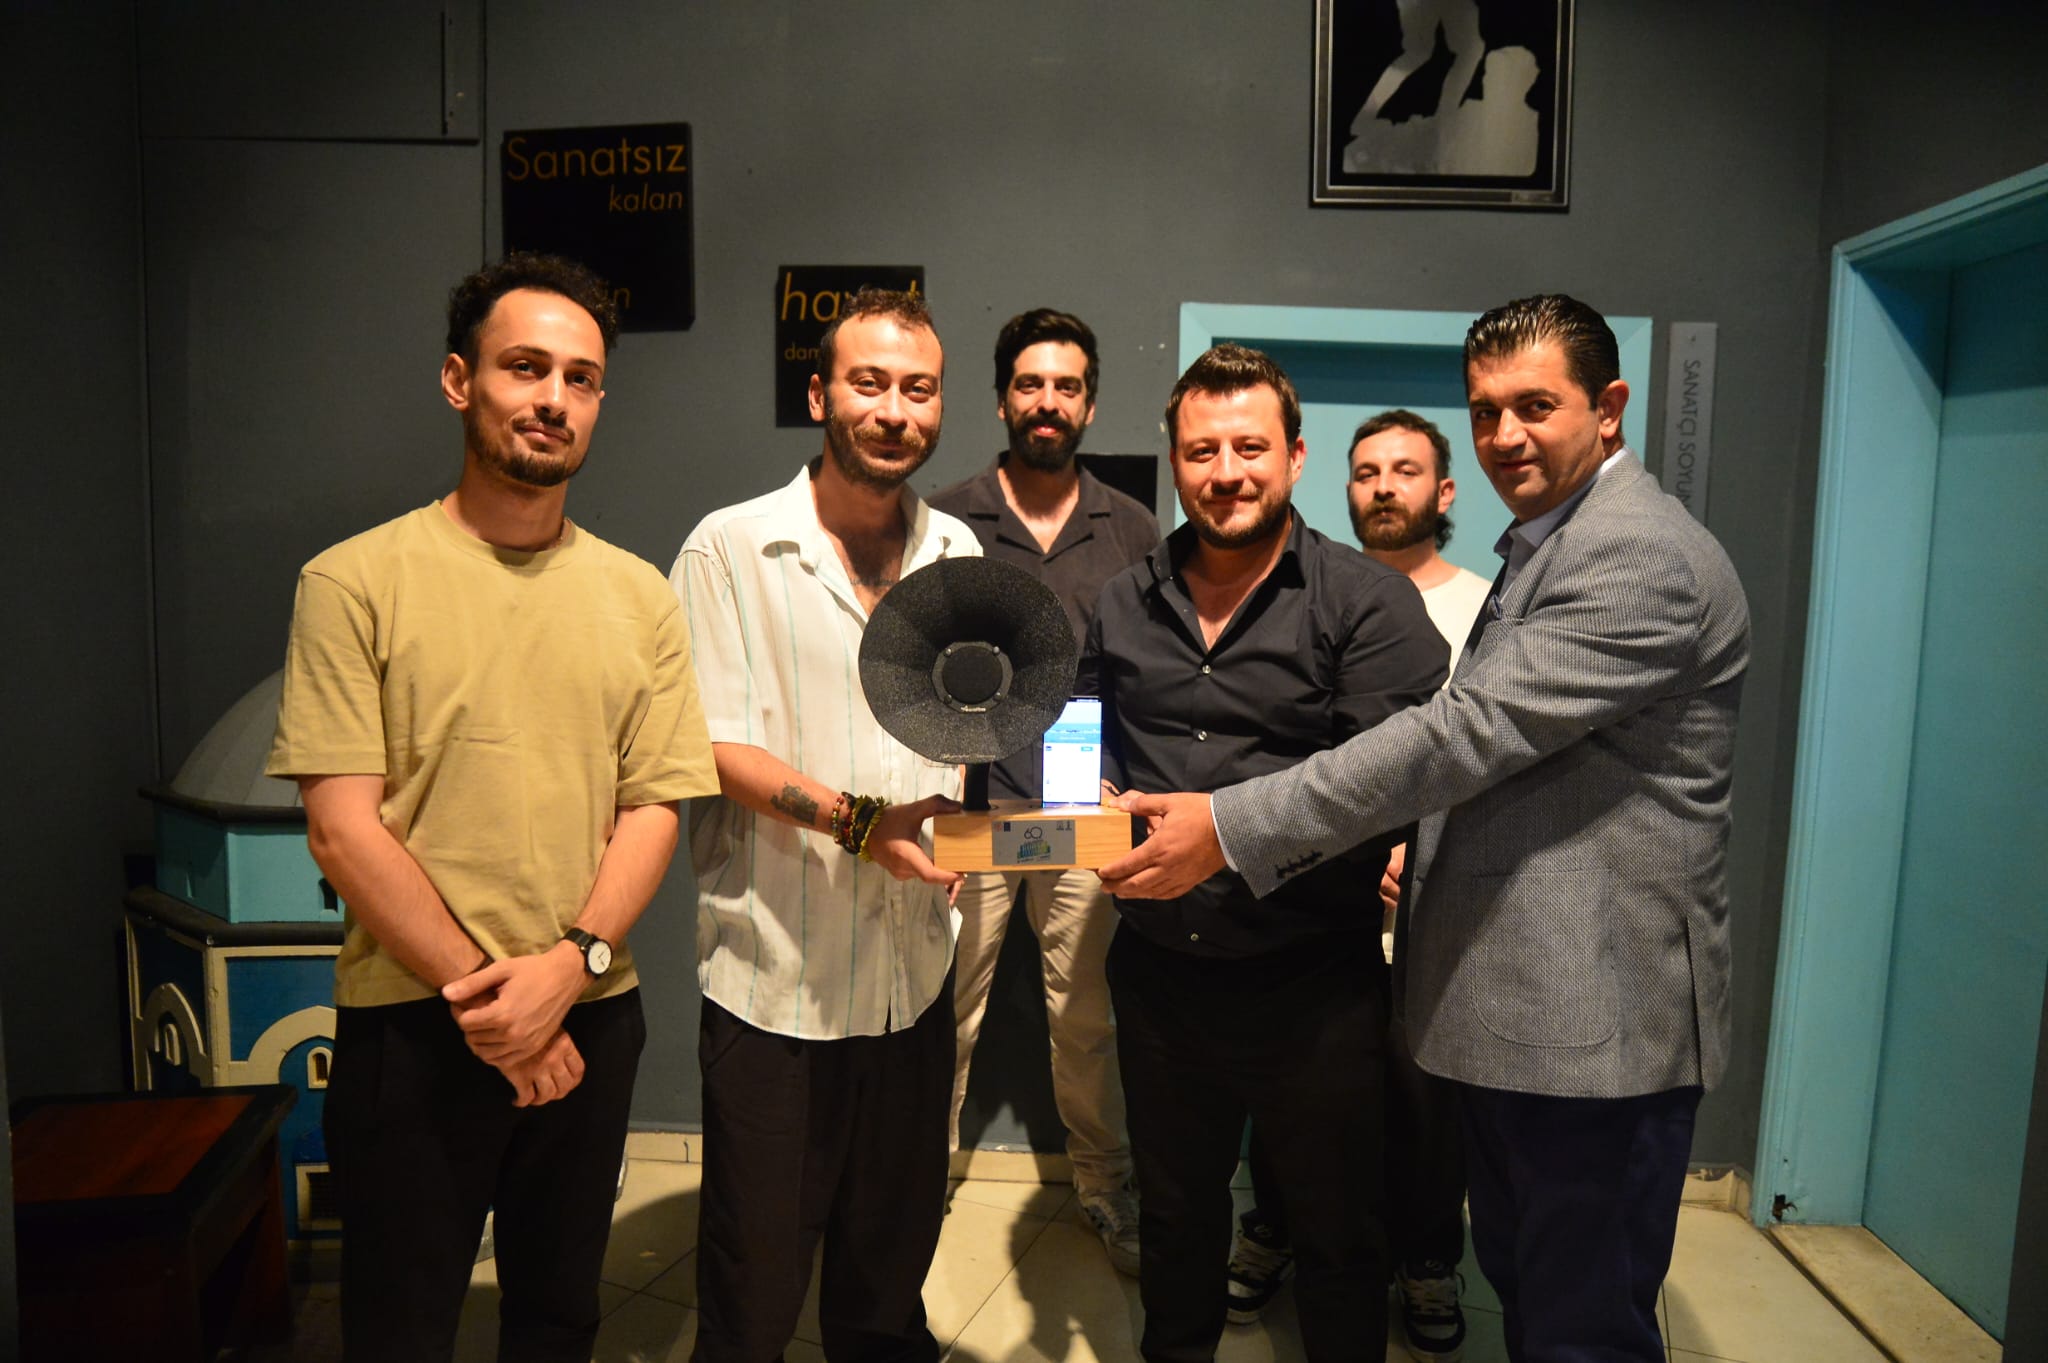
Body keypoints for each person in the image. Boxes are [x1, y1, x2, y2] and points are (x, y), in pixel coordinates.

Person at [1102, 295, 1751, 1363]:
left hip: (1591, 1016)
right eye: (1486, 410)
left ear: (1609, 407)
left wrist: (1224, 825)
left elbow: (1461, 735)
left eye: (1534, 406)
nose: (1504, 435)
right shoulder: (1548, 543)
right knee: (1536, 1300)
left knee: (1579, 1325)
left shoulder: (1636, 554)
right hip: (1513, 1008)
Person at [268, 251, 718, 1362]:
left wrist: (570, 966)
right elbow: (341, 827)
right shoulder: (352, 582)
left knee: (558, 1315)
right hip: (414, 1022)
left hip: (589, 1008)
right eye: (525, 367)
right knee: (400, 1325)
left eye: (580, 377)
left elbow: (654, 807)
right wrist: (493, 1004)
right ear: (459, 380)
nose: (553, 397)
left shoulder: (639, 596)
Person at [1084, 344, 1446, 1363]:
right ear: (1175, 461)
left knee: (1338, 1234)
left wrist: (1223, 833)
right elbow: (1082, 725)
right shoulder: (1121, 599)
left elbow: (1386, 785)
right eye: (1202, 450)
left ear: (1294, 455)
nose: (1226, 471)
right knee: (1175, 1217)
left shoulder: (1369, 605)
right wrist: (1079, 795)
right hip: (1158, 974)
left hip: (1314, 984)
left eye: (1249, 446)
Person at [671, 287, 977, 1363]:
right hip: (776, 983)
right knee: (753, 1294)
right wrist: (863, 824)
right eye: (868, 383)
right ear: (819, 395)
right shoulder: (730, 548)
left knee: (886, 1284)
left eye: (918, 388)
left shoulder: (955, 548)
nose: (894, 410)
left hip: (912, 977)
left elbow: (961, 729)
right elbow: (710, 744)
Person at [1224, 408, 1486, 1357]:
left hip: (1428, 903)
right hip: (1312, 902)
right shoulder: (1307, 593)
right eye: (1367, 470)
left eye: (1404, 470)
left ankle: (1427, 1257)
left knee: (1425, 1099)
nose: (1383, 486)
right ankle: (1273, 1229)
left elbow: (1480, 753)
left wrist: (1423, 848)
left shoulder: (1482, 606)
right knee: (1293, 1083)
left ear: (1442, 491)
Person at [926, 308, 1158, 1274]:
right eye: (1031, 384)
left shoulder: (1133, 526)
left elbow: (1149, 673)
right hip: (970, 811)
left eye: (1067, 385)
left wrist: (1124, 790)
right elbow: (912, 670)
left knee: (1086, 1018)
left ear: (1090, 404)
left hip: (1081, 813)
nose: (1048, 401)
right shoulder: (945, 521)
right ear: (1002, 400)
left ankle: (1104, 1184)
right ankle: (917, 1180)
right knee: (942, 1010)